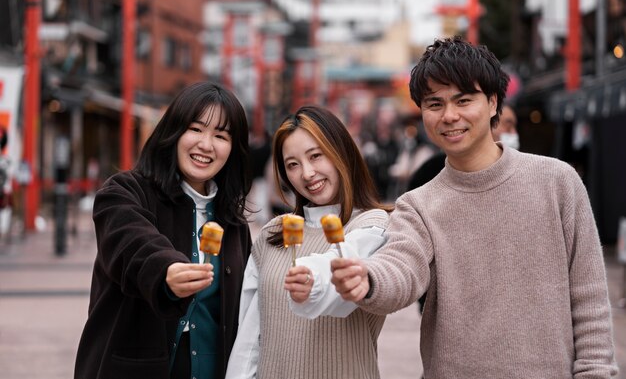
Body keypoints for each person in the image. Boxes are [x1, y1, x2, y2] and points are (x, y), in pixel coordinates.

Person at [331, 36, 618, 378]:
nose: (449, 116)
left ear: (494, 103)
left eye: (463, 100)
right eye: (434, 104)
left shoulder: (557, 182)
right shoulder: (418, 205)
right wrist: (369, 279)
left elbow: (589, 298)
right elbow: (401, 269)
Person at [74, 82, 253, 379]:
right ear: (173, 132)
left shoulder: (233, 223)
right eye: (195, 129)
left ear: (233, 149)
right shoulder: (124, 191)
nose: (206, 145)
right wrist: (166, 270)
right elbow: (131, 243)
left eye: (220, 136)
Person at [225, 105, 392, 379]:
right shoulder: (272, 233)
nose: (307, 173)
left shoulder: (372, 226)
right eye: (293, 164)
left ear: (341, 152)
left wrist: (310, 280)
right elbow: (250, 337)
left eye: (316, 156)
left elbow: (341, 282)